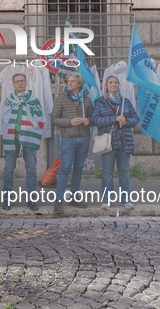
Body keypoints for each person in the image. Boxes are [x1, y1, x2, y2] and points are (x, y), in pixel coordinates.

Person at [91, 75, 139, 210]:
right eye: (111, 83)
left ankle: (126, 199)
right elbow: (95, 120)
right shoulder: (100, 102)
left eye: (116, 83)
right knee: (107, 171)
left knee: (124, 171)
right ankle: (106, 200)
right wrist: (114, 119)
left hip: (124, 140)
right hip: (109, 141)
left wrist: (127, 121)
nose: (113, 85)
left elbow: (135, 118)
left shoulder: (125, 102)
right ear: (106, 86)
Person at [0, 74, 44, 211]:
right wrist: (13, 130)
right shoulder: (9, 100)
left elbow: (39, 118)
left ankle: (32, 200)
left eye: (22, 81)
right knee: (8, 170)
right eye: (17, 81)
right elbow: (3, 118)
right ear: (13, 84)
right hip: (12, 137)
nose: (20, 83)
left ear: (26, 82)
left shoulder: (33, 99)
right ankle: (6, 199)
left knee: (31, 170)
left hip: (28, 137)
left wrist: (27, 128)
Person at [52, 73, 93, 214]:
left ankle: (74, 197)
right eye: (68, 81)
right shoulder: (61, 98)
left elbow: (92, 117)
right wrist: (70, 122)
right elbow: (54, 119)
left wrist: (88, 120)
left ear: (79, 84)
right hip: (68, 138)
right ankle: (59, 199)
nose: (69, 83)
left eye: (73, 81)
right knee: (65, 167)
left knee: (78, 167)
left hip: (84, 138)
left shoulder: (86, 99)